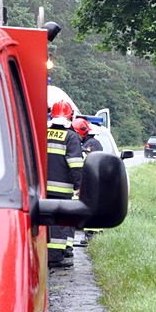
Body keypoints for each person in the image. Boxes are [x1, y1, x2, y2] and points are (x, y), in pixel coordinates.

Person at [46, 100, 84, 268]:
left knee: (44, 221)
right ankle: (55, 257)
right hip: (62, 190)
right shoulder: (71, 137)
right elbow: (75, 164)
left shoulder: (42, 132)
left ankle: (49, 253)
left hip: (41, 188)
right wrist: (79, 185)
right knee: (59, 223)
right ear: (70, 116)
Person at [71, 117, 103, 246]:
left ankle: (92, 236)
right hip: (92, 180)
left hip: (92, 180)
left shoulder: (91, 144)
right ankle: (91, 236)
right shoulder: (90, 143)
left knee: (91, 208)